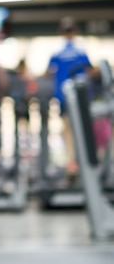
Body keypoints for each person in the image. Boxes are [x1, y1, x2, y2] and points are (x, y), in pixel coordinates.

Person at [45, 16, 94, 176]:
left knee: (68, 131)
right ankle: (79, 162)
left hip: (64, 97)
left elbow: (47, 73)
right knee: (81, 129)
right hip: (79, 98)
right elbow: (90, 72)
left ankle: (72, 162)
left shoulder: (57, 54)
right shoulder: (81, 53)